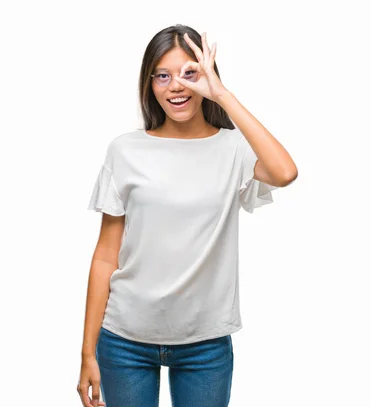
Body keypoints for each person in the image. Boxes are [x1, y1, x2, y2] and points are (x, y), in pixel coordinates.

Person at [77, 24, 298, 407]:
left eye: (189, 74)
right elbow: (105, 256)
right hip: (125, 341)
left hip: (205, 346)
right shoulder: (125, 150)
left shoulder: (232, 149)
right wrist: (87, 353)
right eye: (163, 76)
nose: (176, 86)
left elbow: (285, 172)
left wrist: (222, 95)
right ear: (149, 84)